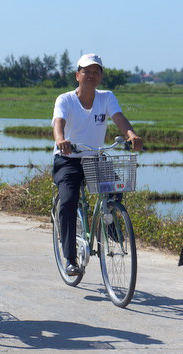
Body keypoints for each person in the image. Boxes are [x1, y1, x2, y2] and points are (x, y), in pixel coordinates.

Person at [52, 53, 143, 275]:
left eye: (96, 72)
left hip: (95, 158)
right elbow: (58, 121)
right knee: (69, 201)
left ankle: (110, 223)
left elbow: (118, 117)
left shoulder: (106, 97)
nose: (91, 76)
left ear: (100, 76)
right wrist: (60, 140)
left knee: (115, 188)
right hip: (68, 159)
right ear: (77, 75)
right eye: (87, 71)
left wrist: (131, 135)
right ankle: (71, 259)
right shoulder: (65, 99)